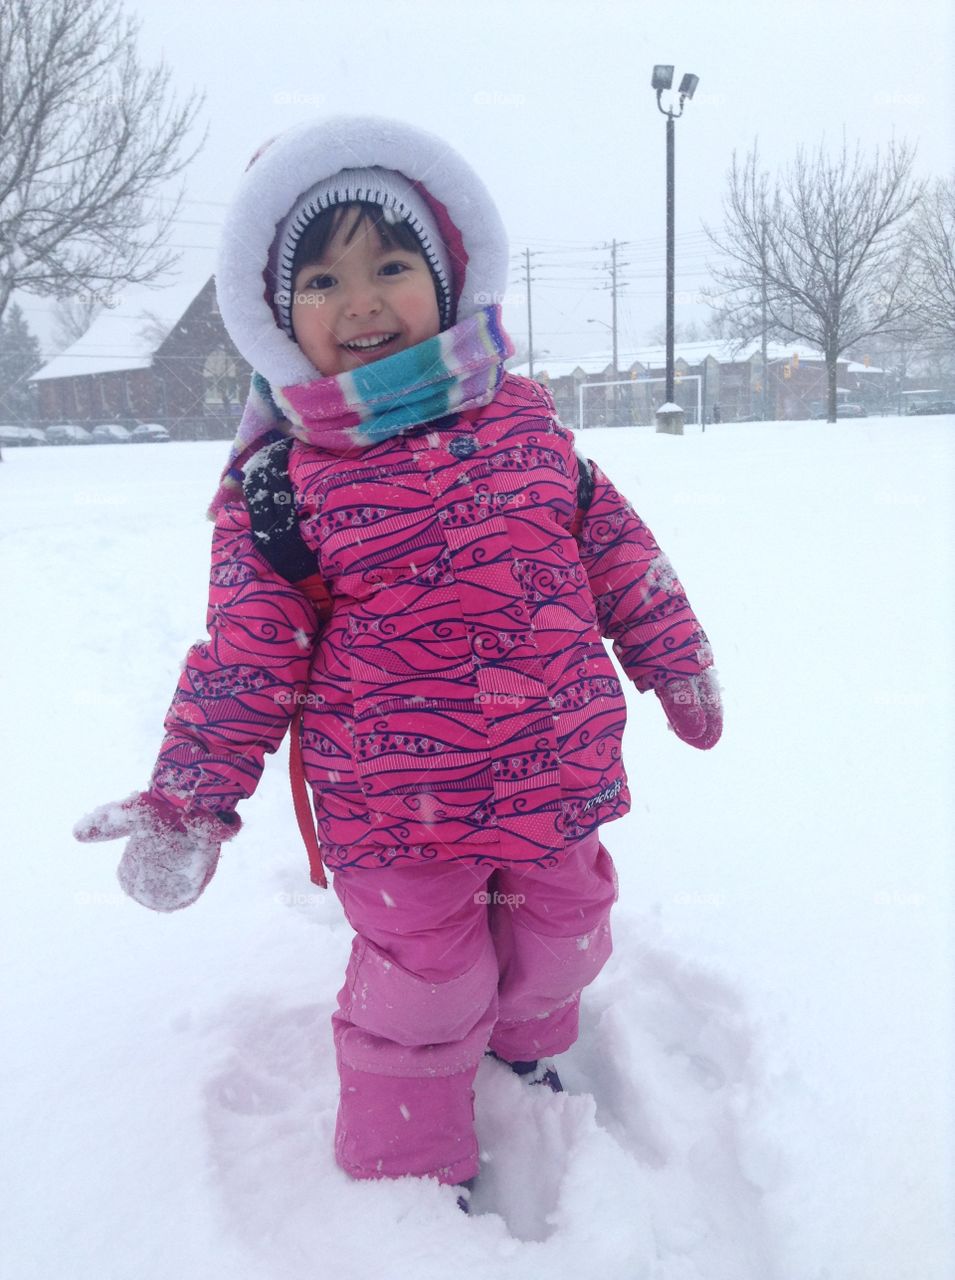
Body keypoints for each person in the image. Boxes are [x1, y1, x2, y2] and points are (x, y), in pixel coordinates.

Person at [74, 115, 723, 1207]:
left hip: (554, 777)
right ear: (279, 323)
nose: (364, 298)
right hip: (396, 808)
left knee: (566, 930)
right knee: (425, 982)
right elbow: (243, 661)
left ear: (451, 273)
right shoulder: (280, 488)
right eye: (322, 281)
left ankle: (523, 1042)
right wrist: (188, 797)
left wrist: (673, 649)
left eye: (390, 263)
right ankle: (405, 1174)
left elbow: (614, 544)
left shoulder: (527, 428)